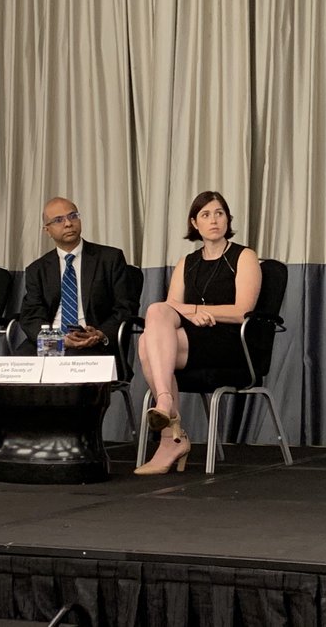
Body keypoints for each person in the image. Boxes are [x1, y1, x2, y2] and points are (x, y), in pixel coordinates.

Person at [134, 191, 262, 475]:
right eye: (205, 215)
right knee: (155, 314)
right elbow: (169, 308)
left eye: (219, 213)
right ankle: (166, 406)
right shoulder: (187, 262)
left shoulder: (244, 256)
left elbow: (243, 311)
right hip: (192, 338)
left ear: (227, 219)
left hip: (230, 342)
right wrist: (191, 315)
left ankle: (170, 434)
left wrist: (196, 310)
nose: (213, 220)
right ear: (194, 223)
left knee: (146, 344)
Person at [18, 196, 138, 357]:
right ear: (47, 230)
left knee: (73, 362)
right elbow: (31, 315)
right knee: (12, 367)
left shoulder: (110, 259)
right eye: (58, 220)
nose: (68, 223)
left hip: (92, 340)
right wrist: (59, 340)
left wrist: (100, 333)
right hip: (52, 341)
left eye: (73, 216)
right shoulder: (37, 269)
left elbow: (125, 307)